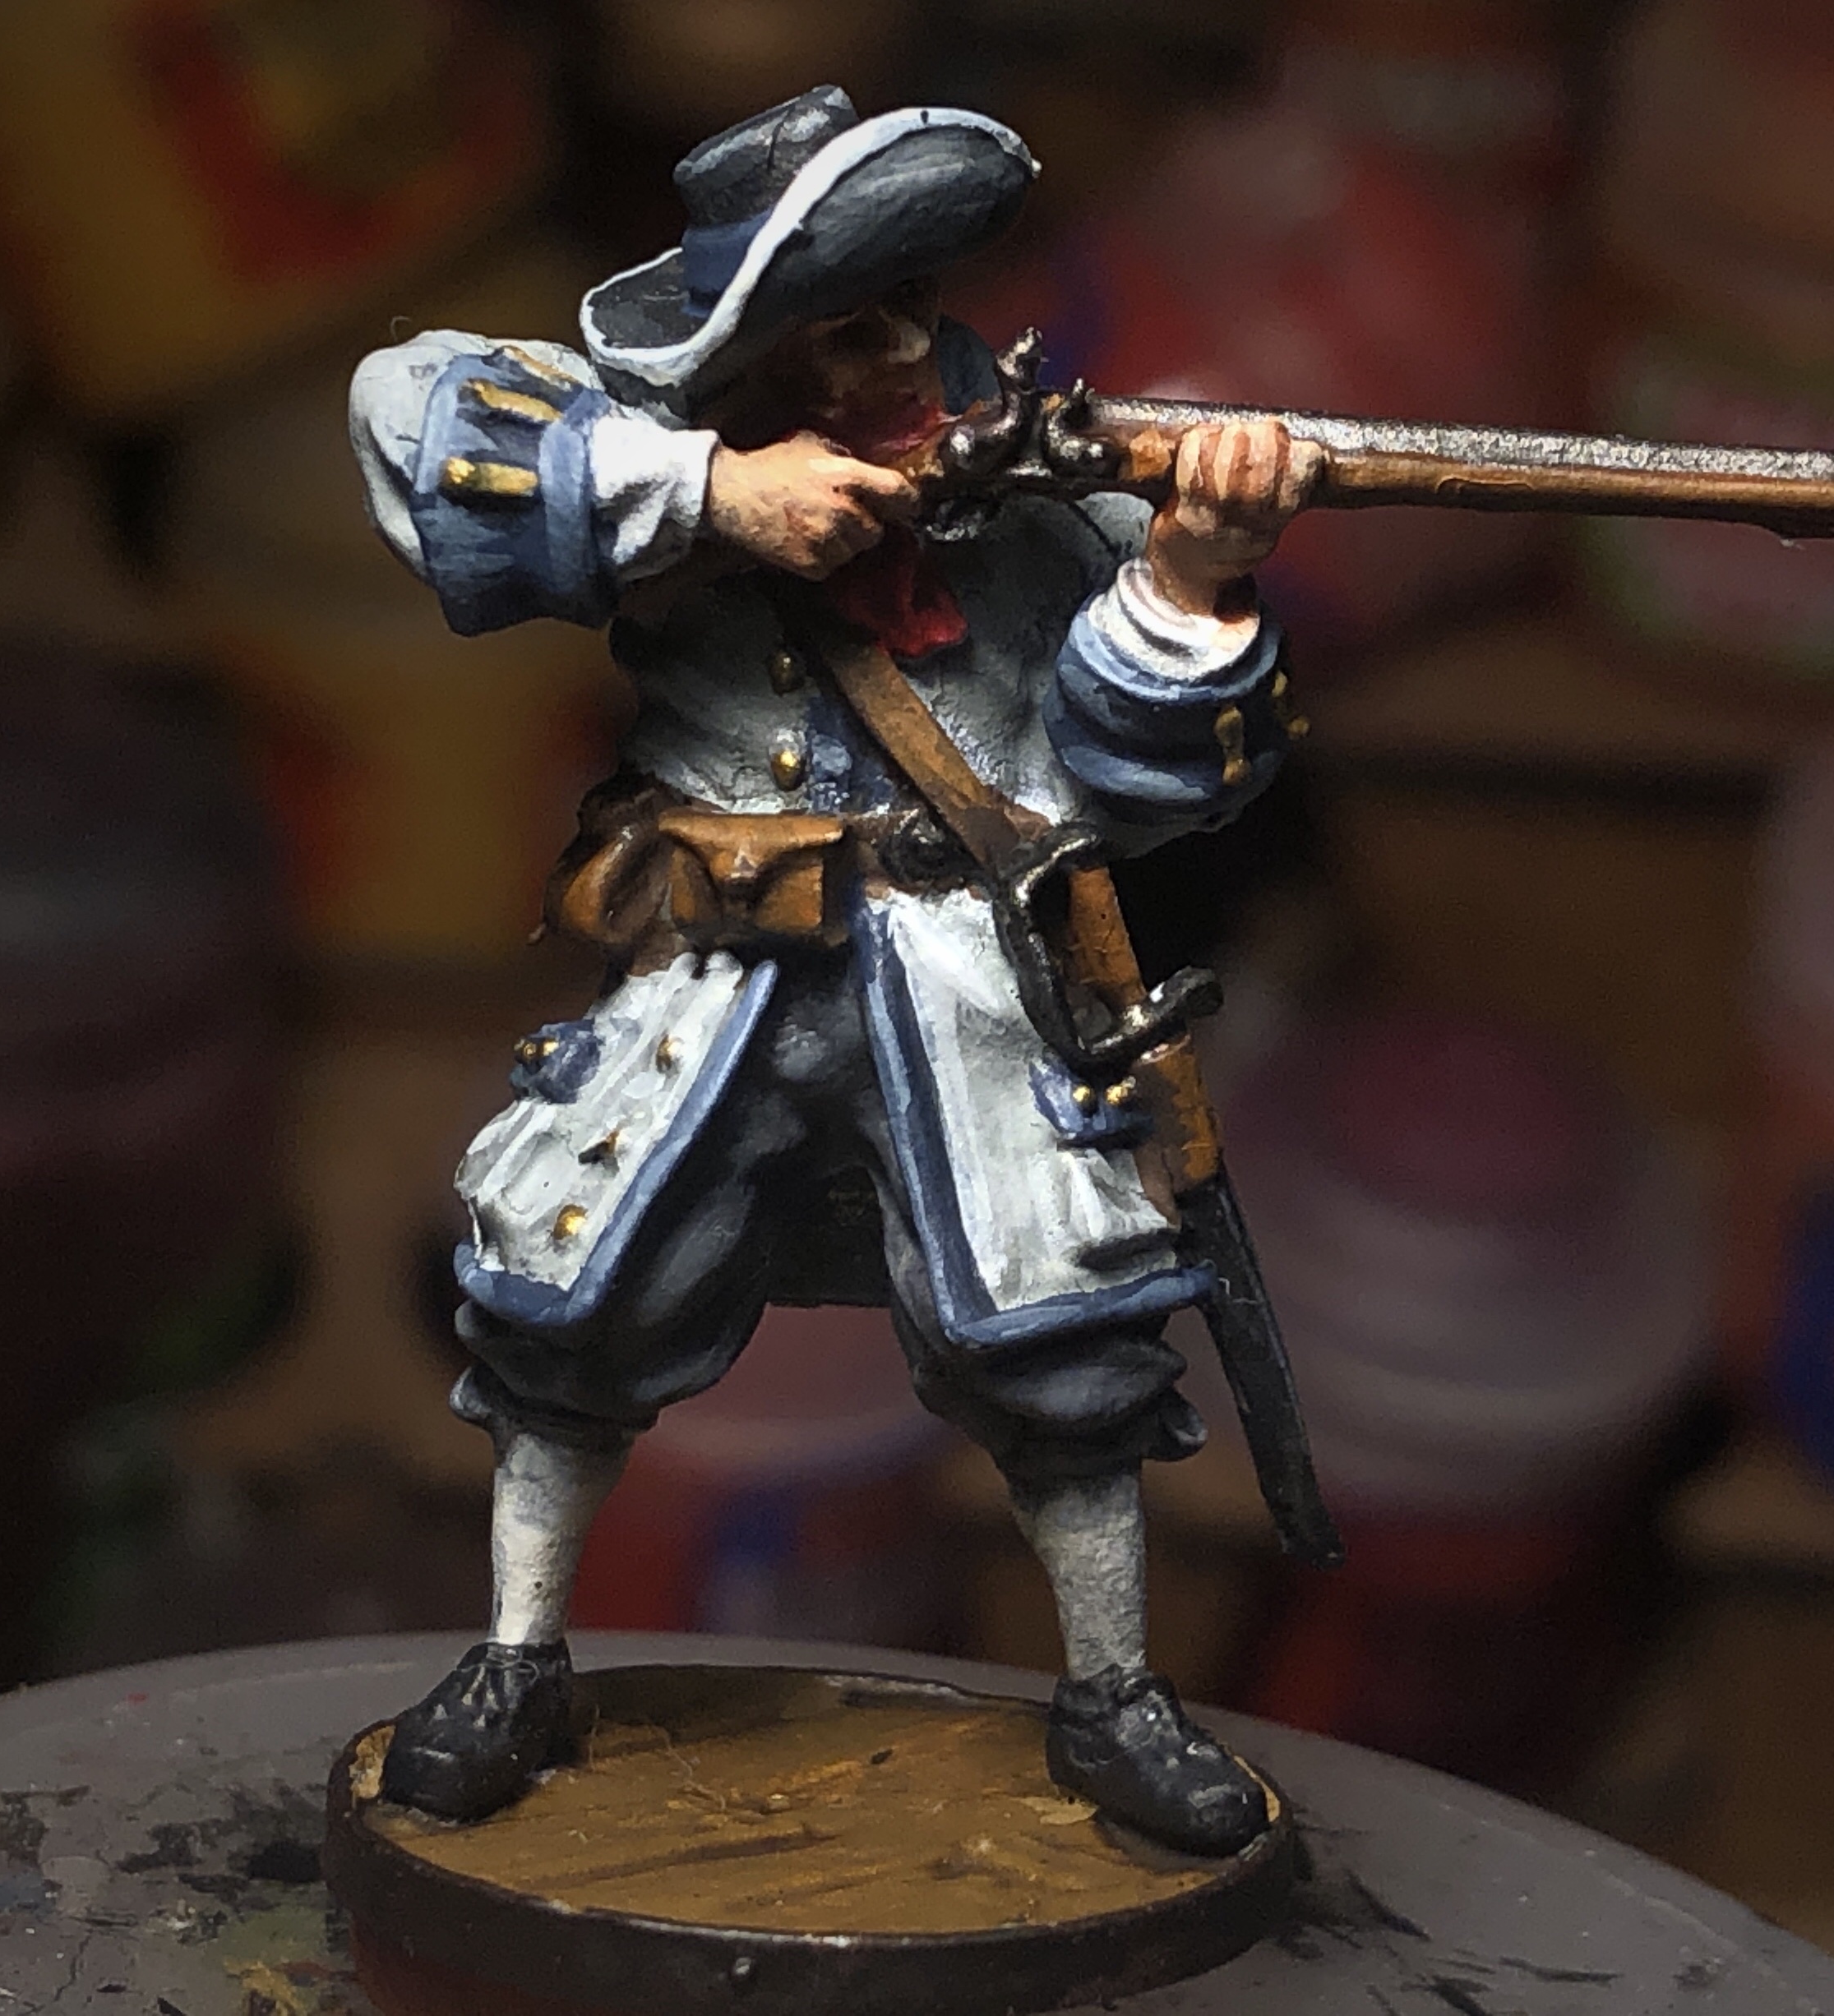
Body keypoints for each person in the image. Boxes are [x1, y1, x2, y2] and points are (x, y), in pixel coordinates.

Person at [346, 85, 1317, 1856]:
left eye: (907, 310)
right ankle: (518, 1660)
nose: (894, 356)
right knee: (570, 1300)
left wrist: (1190, 579)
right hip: (717, 968)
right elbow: (412, 418)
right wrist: (717, 490)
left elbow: (1154, 791)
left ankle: (1111, 1693)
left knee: (1065, 1332)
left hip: (964, 975)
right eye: (839, 325)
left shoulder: (1036, 491)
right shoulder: (669, 470)